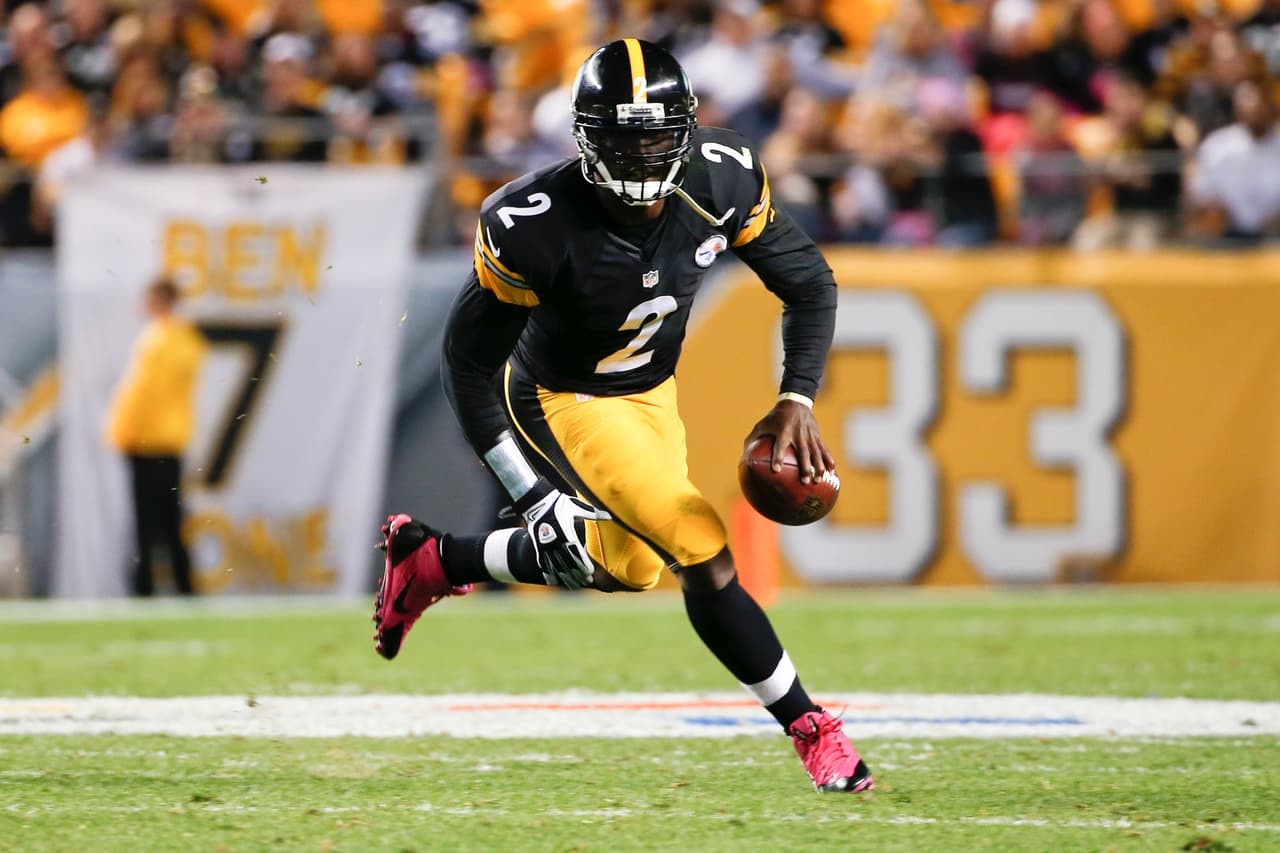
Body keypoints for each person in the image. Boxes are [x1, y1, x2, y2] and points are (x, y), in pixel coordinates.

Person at [372, 38, 874, 795]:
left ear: (687, 131)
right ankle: (812, 727)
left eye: (657, 138)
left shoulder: (721, 178)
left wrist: (796, 395)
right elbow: (469, 364)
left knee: (632, 565)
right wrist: (531, 492)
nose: (642, 159)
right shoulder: (532, 221)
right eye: (622, 140)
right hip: (561, 396)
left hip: (650, 389)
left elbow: (809, 285)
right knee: (701, 545)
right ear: (583, 138)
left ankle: (436, 558)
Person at [106, 277, 207, 596]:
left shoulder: (158, 339)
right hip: (171, 441)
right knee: (171, 520)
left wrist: (120, 433)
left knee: (146, 524)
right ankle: (184, 586)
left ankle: (144, 588)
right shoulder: (187, 339)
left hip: (146, 441)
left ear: (159, 301)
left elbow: (140, 395)